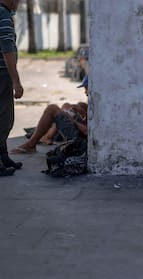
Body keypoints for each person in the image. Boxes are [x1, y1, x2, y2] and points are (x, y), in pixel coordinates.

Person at [11, 76, 88, 154]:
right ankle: (47, 134)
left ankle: (32, 144)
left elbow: (86, 131)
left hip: (82, 140)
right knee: (68, 106)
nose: (86, 92)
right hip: (82, 128)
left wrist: (73, 120)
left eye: (87, 89)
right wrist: (80, 109)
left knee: (52, 108)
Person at [0, 0, 23, 176]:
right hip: (2, 75)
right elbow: (7, 49)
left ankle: (4, 157)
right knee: (4, 120)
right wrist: (16, 81)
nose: (19, 3)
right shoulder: (3, 15)